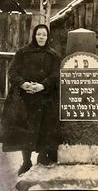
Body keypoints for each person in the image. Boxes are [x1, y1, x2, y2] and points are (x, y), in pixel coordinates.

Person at [0, 24, 61, 175]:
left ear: (48, 37)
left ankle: (42, 156)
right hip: (25, 99)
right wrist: (23, 84)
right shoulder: (22, 53)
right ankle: (26, 161)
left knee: (45, 129)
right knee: (25, 131)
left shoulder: (53, 55)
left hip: (45, 99)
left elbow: (56, 74)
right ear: (34, 36)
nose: (41, 37)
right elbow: (12, 72)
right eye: (39, 34)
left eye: (44, 35)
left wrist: (43, 85)